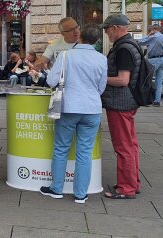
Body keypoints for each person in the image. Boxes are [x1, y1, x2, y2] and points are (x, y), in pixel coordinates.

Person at [40, 25, 107, 204]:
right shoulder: (101, 58)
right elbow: (102, 87)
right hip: (92, 108)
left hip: (69, 107)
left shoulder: (65, 56)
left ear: (80, 38)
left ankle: (56, 189)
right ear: (96, 40)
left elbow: (52, 81)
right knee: (84, 152)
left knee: (61, 148)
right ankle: (80, 194)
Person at [99, 14, 142, 199]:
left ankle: (126, 188)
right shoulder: (131, 45)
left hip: (120, 102)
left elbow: (123, 80)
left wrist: (100, 79)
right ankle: (133, 183)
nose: (106, 32)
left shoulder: (123, 48)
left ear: (115, 27)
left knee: (123, 145)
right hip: (127, 101)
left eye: (106, 28)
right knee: (130, 145)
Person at [137, 24, 163, 107]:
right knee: (158, 81)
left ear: (154, 29)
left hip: (154, 60)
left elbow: (140, 42)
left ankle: (145, 99)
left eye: (151, 30)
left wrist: (148, 35)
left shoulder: (154, 37)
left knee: (145, 79)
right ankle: (157, 101)